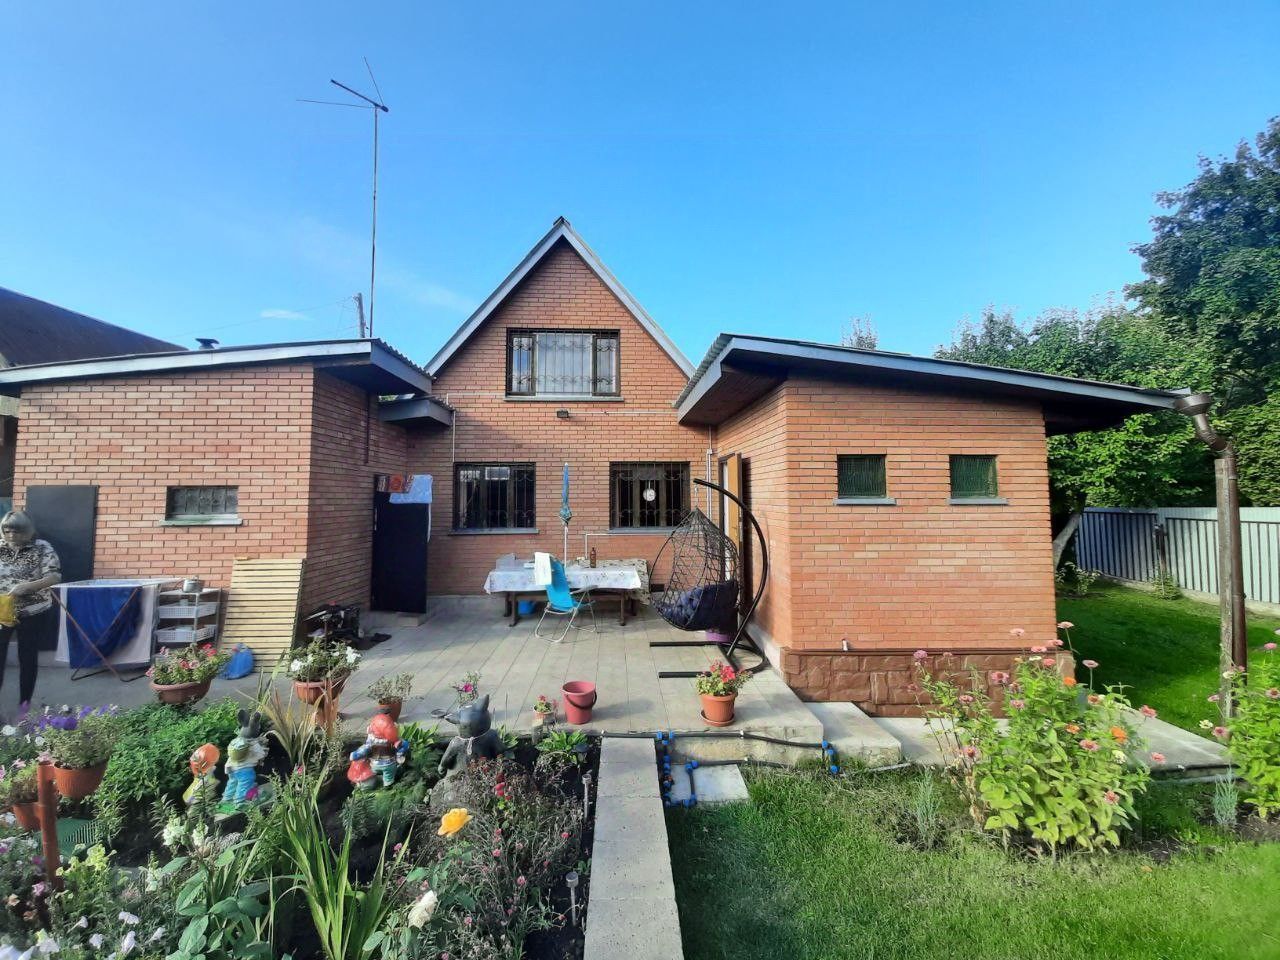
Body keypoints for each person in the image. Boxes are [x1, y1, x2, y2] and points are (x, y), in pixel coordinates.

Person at [0, 510, 61, 718]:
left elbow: (54, 576)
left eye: (16, 531)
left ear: (27, 531)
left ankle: (24, 707)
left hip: (33, 611)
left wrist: (27, 587)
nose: (11, 535)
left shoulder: (42, 547)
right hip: (2, 613)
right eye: (7, 531)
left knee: (27, 658)